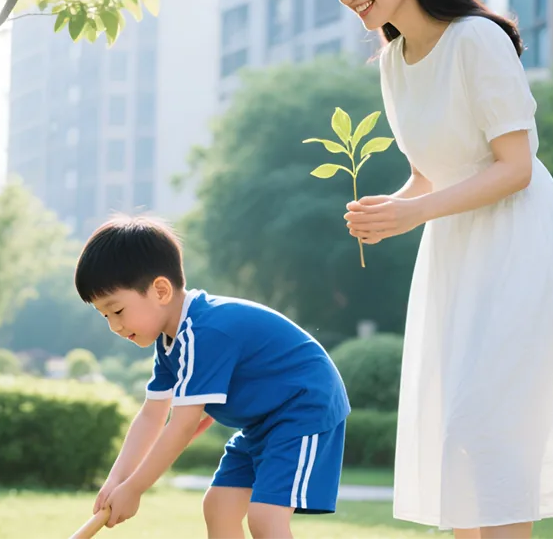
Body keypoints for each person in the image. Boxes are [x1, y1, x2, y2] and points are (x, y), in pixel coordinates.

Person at [327, 0, 553, 538]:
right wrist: (393, 207)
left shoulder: (477, 39)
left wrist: (414, 211)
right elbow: (431, 168)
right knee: (457, 437)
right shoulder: (391, 63)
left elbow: (513, 166)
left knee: (488, 429)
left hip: (517, 243)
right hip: (455, 255)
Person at [77, 216, 349, 539]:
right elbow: (152, 417)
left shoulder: (202, 332)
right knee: (219, 507)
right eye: (105, 315)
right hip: (264, 423)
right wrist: (116, 482)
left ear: (160, 290)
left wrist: (135, 488)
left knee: (264, 518)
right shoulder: (170, 345)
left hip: (304, 406)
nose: (114, 326)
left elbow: (182, 424)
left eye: (117, 311)